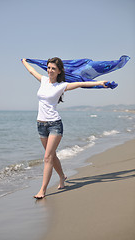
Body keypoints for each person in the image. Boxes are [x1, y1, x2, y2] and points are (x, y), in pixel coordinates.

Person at [22, 57, 107, 199]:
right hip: (41, 125)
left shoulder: (62, 85)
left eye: (53, 68)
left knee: (47, 157)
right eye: (48, 67)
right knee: (52, 155)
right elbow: (31, 71)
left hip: (55, 124)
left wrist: (100, 83)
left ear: (59, 71)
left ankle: (42, 190)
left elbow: (81, 83)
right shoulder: (43, 80)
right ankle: (62, 176)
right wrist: (24, 61)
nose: (50, 70)